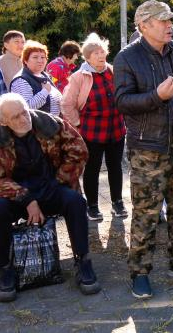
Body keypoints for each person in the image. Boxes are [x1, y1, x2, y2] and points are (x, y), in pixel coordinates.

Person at [113, 0, 173, 299]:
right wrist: (155, 96)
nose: (169, 25)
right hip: (149, 147)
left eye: (169, 20)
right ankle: (139, 271)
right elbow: (122, 102)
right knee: (146, 211)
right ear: (143, 25)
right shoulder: (127, 58)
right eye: (162, 21)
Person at [0, 93, 100, 302]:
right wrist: (26, 199)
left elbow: (79, 151)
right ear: (4, 121)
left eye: (24, 112)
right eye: (15, 117)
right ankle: (4, 269)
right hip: (16, 196)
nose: (23, 119)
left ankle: (83, 261)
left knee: (75, 202)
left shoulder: (50, 124)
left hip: (51, 185)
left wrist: (59, 180)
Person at [61, 33, 127, 221]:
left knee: (116, 167)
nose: (100, 55)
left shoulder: (114, 71)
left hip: (115, 128)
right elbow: (66, 104)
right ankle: (92, 206)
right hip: (91, 131)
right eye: (96, 53)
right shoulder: (78, 77)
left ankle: (117, 202)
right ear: (87, 56)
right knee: (92, 169)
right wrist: (77, 124)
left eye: (102, 52)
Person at [10, 40, 63, 116]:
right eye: (35, 57)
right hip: (36, 126)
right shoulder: (21, 80)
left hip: (52, 125)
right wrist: (44, 92)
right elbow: (26, 108)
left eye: (43, 57)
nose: (40, 60)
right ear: (25, 60)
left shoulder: (44, 76)